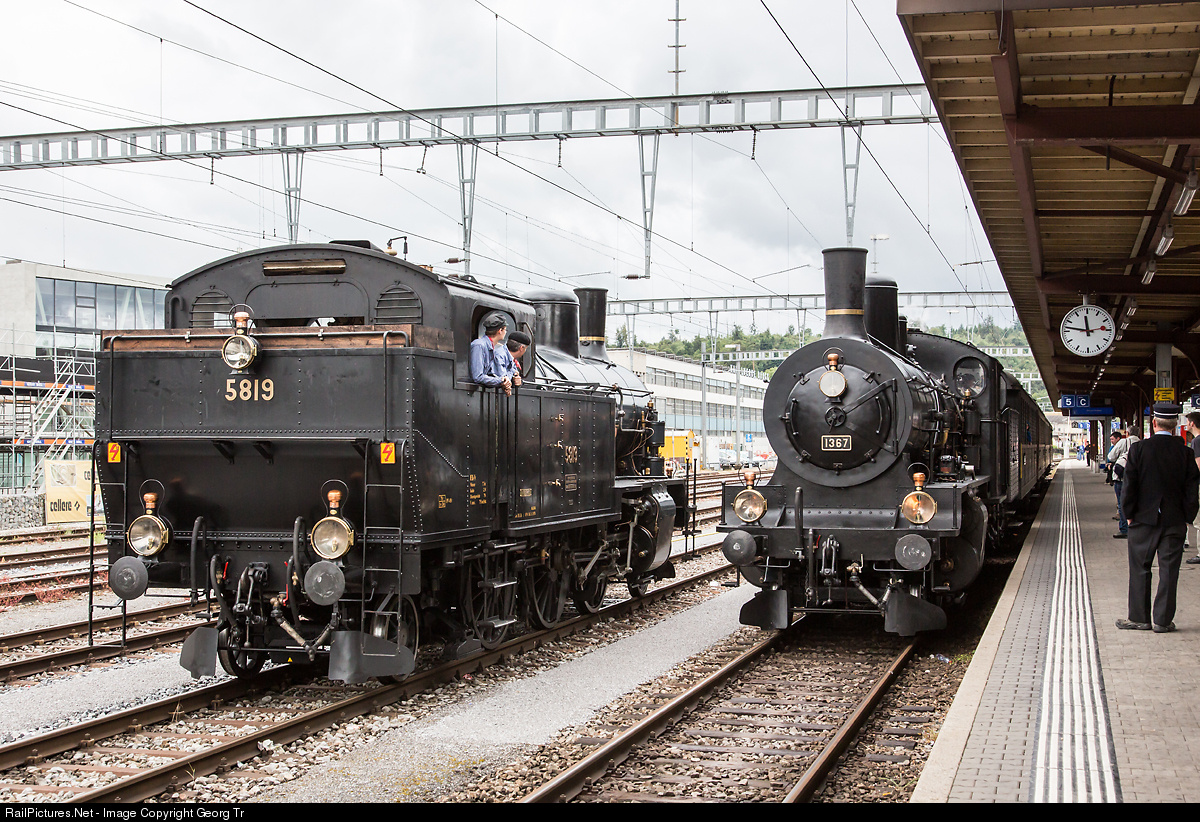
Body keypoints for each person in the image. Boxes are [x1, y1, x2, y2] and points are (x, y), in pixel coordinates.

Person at [1117, 402, 1200, 633]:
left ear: (1153, 423)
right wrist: (1187, 517)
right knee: (1169, 571)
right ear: (1174, 426)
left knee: (1140, 568)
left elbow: (1129, 486)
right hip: (1174, 521)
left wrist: (1128, 514)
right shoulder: (1186, 453)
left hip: (1143, 519)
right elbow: (1192, 490)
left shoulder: (1139, 450)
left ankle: (1139, 618)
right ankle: (1163, 621)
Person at [469, 316, 512, 396]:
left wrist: (504, 381)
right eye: (505, 330)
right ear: (500, 330)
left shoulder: (490, 347)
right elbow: (477, 376)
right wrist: (500, 380)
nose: (506, 332)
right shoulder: (479, 345)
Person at [1107, 431, 1128, 539]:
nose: (1111, 441)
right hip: (1136, 478)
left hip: (1121, 477)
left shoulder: (1123, 442)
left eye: (1112, 439)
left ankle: (1124, 529)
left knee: (1122, 504)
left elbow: (1111, 457)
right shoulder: (1140, 443)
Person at [1186, 411, 1200, 564]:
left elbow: (1198, 466)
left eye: (1187, 422)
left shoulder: (1197, 441)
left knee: (1199, 522)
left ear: (1192, 423)